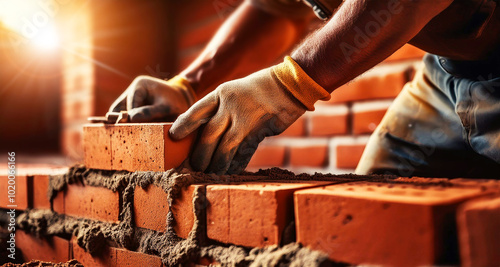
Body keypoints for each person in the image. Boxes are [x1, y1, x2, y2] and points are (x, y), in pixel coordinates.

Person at [109, 0, 500, 177]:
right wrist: (187, 87)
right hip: (445, 75)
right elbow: (275, 10)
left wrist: (289, 84)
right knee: (377, 210)